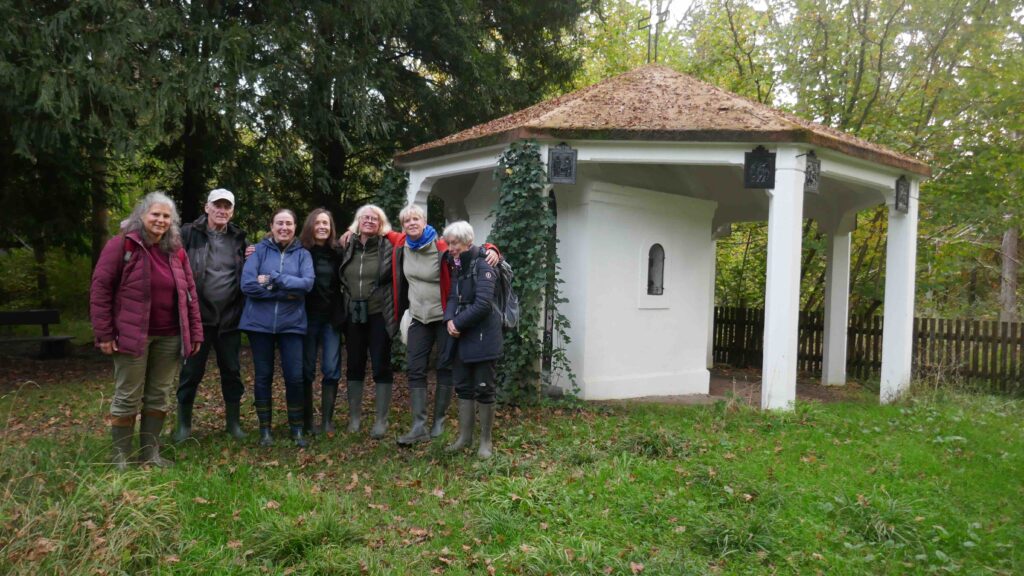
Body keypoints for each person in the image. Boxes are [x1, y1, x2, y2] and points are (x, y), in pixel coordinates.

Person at [90, 192, 203, 469]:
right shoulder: (122, 245)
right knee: (128, 394)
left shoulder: (176, 250)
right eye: (155, 214)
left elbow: (190, 293)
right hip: (132, 335)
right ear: (142, 215)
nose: (160, 220)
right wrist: (104, 333)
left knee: (159, 394)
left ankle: (150, 453)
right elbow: (101, 288)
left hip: (170, 335)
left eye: (166, 216)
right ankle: (120, 456)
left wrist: (196, 332)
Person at [390, 205, 500, 445]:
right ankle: (419, 425)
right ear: (402, 225)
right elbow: (377, 228)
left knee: (445, 365)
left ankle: (439, 422)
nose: (411, 223)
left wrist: (492, 249)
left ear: (425, 221)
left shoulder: (443, 248)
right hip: (419, 316)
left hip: (443, 317)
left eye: (416, 218)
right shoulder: (401, 245)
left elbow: (472, 248)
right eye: (407, 220)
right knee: (415, 367)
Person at [173, 188, 249, 443]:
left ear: (232, 211)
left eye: (227, 206)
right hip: (198, 317)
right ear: (207, 207)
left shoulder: (239, 238)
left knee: (232, 371)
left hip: (229, 318)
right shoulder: (188, 233)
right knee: (191, 372)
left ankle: (233, 423)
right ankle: (183, 424)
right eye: (217, 205)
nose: (222, 210)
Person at [239, 209, 314, 447]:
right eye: (279, 223)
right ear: (271, 226)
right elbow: (248, 284)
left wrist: (273, 278)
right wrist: (286, 292)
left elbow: (307, 284)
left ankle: (297, 429)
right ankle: (265, 431)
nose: (284, 227)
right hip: (259, 325)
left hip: (291, 325)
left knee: (294, 376)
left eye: (289, 223)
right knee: (263, 377)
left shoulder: (303, 254)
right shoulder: (258, 251)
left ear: (295, 226)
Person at [441, 221, 503, 459]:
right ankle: (464, 438)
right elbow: (453, 296)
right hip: (462, 337)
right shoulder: (457, 265)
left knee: (484, 389)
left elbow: (483, 304)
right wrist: (449, 319)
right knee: (464, 387)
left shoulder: (484, 264)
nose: (451, 248)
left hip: (484, 337)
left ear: (468, 242)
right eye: (449, 243)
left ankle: (485, 442)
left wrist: (457, 322)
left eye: (455, 243)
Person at [339, 204, 397, 438]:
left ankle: (381, 420)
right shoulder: (346, 245)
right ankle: (354, 418)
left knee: (381, 364)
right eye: (365, 217)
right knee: (354, 364)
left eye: (375, 218)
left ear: (381, 224)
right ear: (358, 221)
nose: (370, 221)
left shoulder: (389, 246)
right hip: (353, 313)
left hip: (379, 313)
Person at [299, 208, 344, 435]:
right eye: (318, 223)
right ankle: (307, 421)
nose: (322, 227)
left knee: (331, 368)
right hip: (306, 318)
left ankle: (327, 421)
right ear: (310, 226)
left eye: (326, 223)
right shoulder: (300, 250)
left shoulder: (338, 252)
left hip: (331, 319)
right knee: (306, 369)